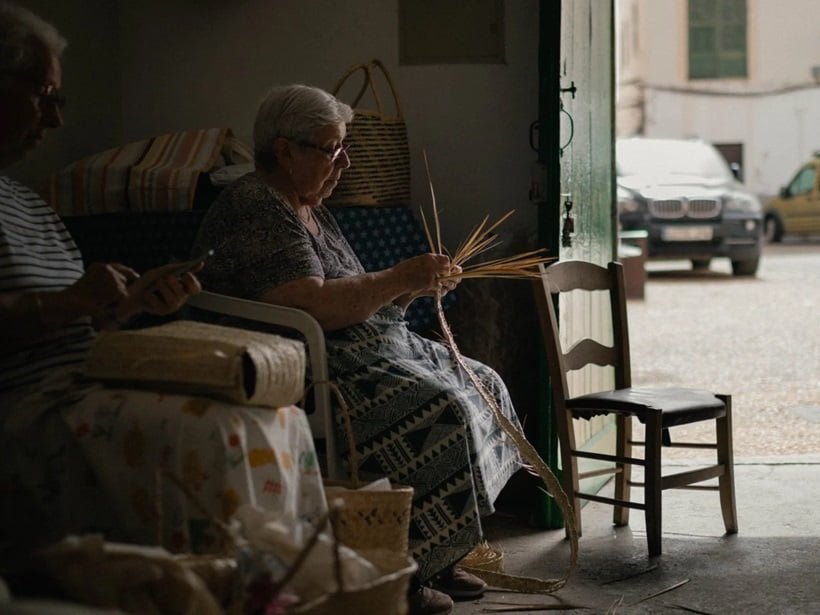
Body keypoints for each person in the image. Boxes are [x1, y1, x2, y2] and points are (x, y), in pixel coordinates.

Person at [0, 1, 326, 560]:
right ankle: (227, 580)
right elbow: (45, 314)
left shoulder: (29, 203)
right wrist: (71, 302)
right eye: (43, 97)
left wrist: (126, 305)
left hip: (84, 381)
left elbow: (77, 321)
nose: (55, 120)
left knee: (275, 412)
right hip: (30, 404)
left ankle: (291, 575)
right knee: (213, 429)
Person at [192, 83, 524, 615]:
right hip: (316, 365)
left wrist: (415, 284)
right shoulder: (256, 206)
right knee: (440, 410)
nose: (343, 163)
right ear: (285, 150)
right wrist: (397, 277)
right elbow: (311, 307)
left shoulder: (309, 207)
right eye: (331, 149)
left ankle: (445, 550)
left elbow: (355, 290)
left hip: (365, 346)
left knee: (483, 382)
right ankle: (405, 569)